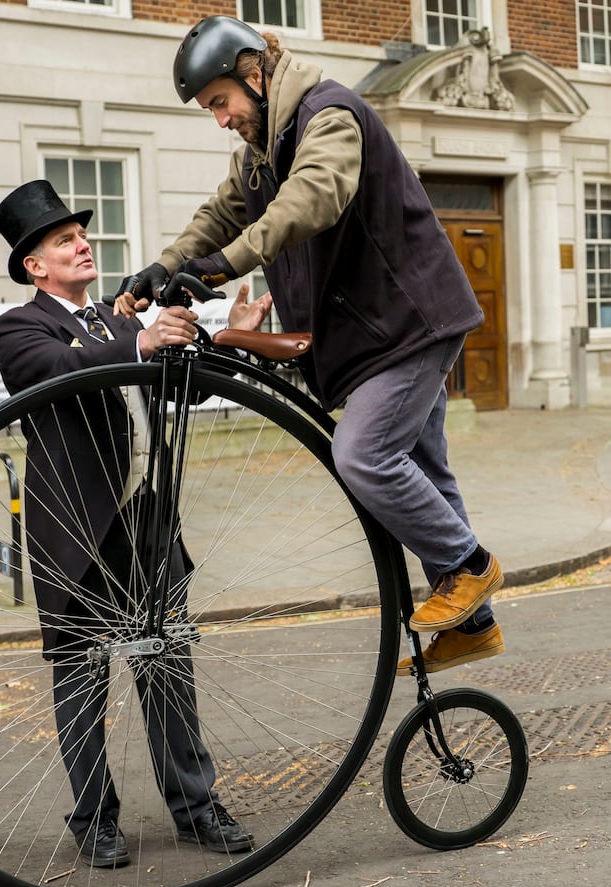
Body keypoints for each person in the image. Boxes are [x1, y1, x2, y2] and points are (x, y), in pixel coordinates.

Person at [116, 16, 505, 677]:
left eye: (221, 102)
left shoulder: (329, 115)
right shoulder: (259, 151)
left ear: (254, 73)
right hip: (376, 335)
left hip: (409, 325)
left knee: (364, 455)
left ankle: (470, 567)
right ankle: (474, 625)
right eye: (210, 110)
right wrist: (166, 265)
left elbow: (314, 196)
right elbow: (220, 214)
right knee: (425, 472)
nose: (221, 119)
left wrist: (221, 267)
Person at [0, 179, 271, 867]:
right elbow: (59, 371)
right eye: (65, 240)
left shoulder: (118, 324)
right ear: (34, 265)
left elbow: (184, 384)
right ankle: (94, 818)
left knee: (168, 667)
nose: (83, 244)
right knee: (82, 676)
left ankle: (196, 809)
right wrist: (142, 342)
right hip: (77, 529)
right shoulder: (21, 327)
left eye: (82, 235)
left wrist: (234, 340)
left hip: (147, 521)